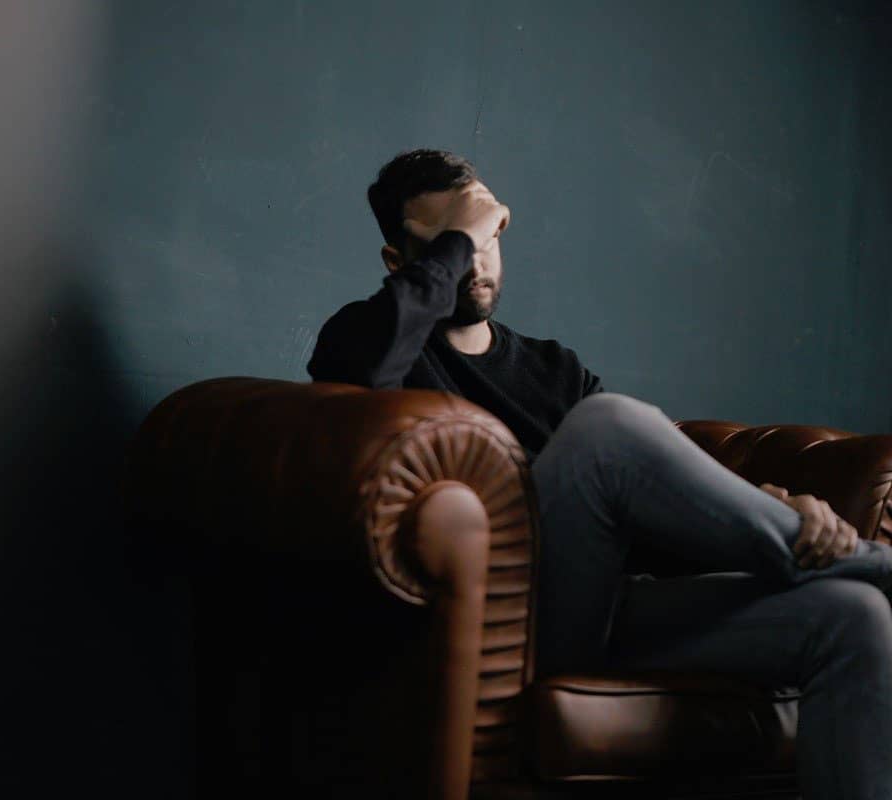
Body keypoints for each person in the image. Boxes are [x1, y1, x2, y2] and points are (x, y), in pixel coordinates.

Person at [307, 148, 892, 799]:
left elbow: (652, 509)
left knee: (854, 615)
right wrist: (461, 237)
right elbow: (355, 377)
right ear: (400, 261)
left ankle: (846, 567)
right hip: (510, 625)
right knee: (606, 426)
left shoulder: (555, 369)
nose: (476, 258)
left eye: (488, 234)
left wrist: (769, 507)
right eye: (453, 240)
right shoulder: (369, 342)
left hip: (608, 609)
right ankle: (873, 563)